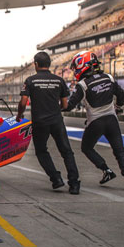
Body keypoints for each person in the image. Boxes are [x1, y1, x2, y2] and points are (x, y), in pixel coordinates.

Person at [64, 51, 124, 191]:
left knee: (86, 148)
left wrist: (56, 106)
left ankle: (106, 170)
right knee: (120, 151)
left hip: (95, 122)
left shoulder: (82, 85)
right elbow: (121, 94)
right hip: (112, 119)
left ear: (83, 64)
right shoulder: (108, 77)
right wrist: (118, 107)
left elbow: (70, 105)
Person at [16, 51, 80, 194]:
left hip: (40, 122)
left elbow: (23, 102)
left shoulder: (30, 80)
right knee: (66, 151)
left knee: (41, 151)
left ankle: (56, 178)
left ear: (36, 64)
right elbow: (64, 105)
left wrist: (19, 115)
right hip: (57, 121)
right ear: (49, 64)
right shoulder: (59, 80)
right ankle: (74, 184)